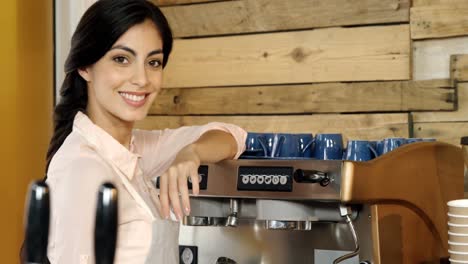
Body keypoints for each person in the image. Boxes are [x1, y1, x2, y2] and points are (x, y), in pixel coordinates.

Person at [41, 0, 246, 263]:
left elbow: (233, 136)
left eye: (154, 62)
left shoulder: (133, 149)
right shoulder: (82, 169)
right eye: (121, 59)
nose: (142, 79)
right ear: (85, 67)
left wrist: (192, 152)